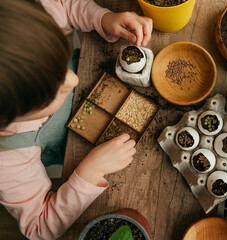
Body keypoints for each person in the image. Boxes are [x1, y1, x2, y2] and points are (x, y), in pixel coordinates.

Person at [0, 0, 153, 239]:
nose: (73, 80)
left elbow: (66, 6)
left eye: (60, 64)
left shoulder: (21, 24)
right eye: (53, 91)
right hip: (77, 149)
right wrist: (91, 171)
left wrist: (103, 19)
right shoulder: (6, 160)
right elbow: (38, 228)